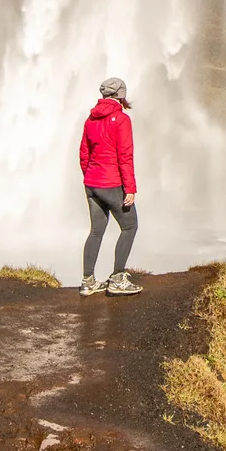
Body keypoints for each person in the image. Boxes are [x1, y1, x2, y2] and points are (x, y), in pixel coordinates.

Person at [79, 76, 142, 296]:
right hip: (112, 183)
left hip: (92, 184)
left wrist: (90, 177)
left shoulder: (90, 119)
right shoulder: (122, 119)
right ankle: (117, 278)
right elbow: (125, 156)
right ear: (121, 95)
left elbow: (84, 153)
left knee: (96, 231)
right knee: (130, 226)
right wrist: (130, 188)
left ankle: (88, 282)